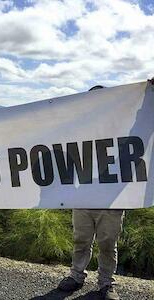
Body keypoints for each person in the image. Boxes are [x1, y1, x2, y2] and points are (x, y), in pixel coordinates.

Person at [57, 85, 124, 300]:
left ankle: (106, 284)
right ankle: (76, 276)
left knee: (107, 245)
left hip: (111, 201)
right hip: (83, 197)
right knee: (81, 241)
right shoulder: (78, 129)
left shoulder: (121, 124)